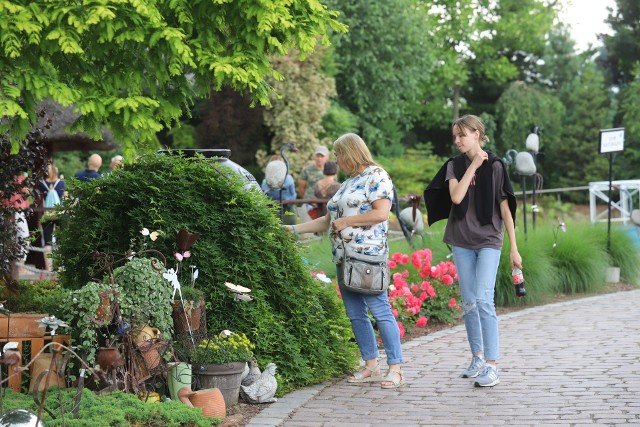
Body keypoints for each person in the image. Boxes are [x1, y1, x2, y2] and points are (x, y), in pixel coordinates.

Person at [285, 133, 404, 389]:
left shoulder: (376, 175)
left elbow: (381, 213)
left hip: (367, 257)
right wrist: (294, 230)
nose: (336, 160)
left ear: (351, 152)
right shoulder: (349, 182)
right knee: (355, 314)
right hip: (344, 257)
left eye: (339, 154)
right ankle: (371, 365)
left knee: (380, 311)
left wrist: (348, 221)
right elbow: (328, 220)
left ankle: (395, 368)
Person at [424, 114, 521, 388]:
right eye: (455, 136)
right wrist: (474, 164)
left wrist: (514, 248)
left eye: (462, 135)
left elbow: (505, 209)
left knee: (483, 300)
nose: (457, 140)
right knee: (468, 304)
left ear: (477, 133)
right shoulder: (454, 165)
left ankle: (492, 365)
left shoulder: (497, 166)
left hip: (489, 238)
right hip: (461, 239)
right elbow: (456, 196)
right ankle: (477, 358)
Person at [37, 163, 67, 267]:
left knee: (47, 242)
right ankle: (59, 267)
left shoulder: (41, 184)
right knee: (60, 241)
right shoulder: (62, 184)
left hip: (47, 214)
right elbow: (66, 199)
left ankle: (49, 268)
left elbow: (38, 200)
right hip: (60, 214)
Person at [297, 146, 329, 221]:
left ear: (327, 157)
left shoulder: (330, 171)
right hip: (309, 205)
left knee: (324, 232)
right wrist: (308, 199)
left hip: (325, 206)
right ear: (314, 157)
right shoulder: (307, 170)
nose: (319, 158)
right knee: (307, 231)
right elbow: (301, 188)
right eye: (318, 156)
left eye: (322, 156)